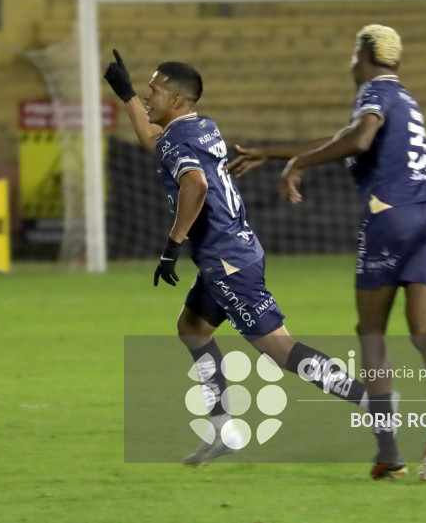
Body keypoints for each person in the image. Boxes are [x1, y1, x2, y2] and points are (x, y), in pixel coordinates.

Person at [103, 49, 372, 466]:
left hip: (228, 261)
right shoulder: (201, 126)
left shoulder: (179, 138)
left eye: (152, 91)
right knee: (192, 329)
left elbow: (195, 185)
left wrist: (172, 246)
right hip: (228, 254)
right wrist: (126, 96)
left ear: (177, 100)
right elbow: (155, 141)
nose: (148, 96)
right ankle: (223, 429)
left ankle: (371, 401)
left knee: (281, 350)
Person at [227, 25, 426, 481]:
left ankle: (389, 449)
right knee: (424, 327)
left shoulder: (372, 92)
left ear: (362, 55)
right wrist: (274, 153)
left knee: (371, 329)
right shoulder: (403, 97)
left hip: (391, 214)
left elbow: (359, 139)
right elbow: (343, 137)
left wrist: (296, 165)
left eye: (353, 53)